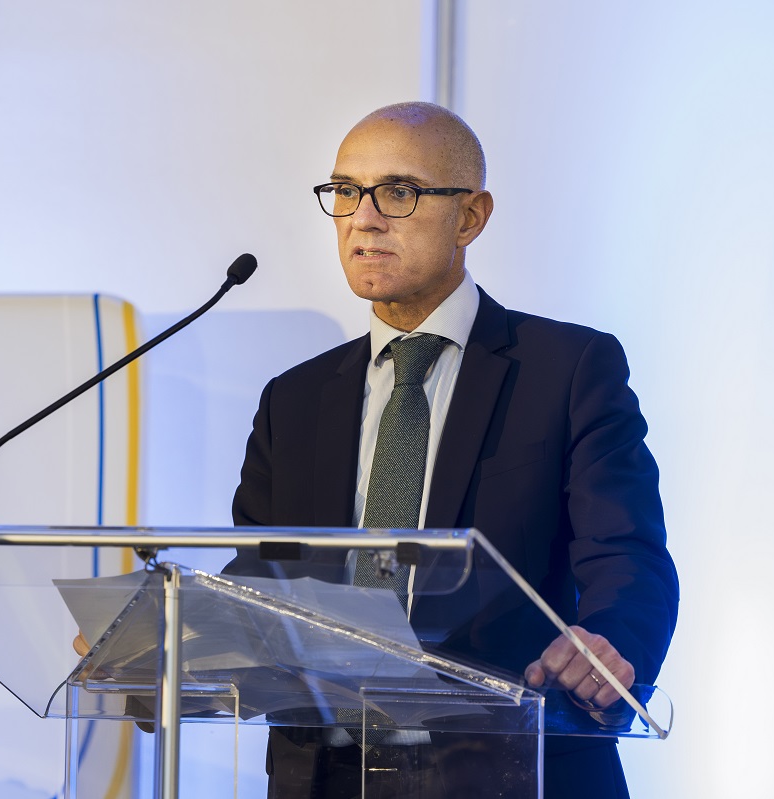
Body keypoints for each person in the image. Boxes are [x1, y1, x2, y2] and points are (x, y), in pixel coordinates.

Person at [224, 102, 678, 798]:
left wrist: (610, 646)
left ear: (470, 216)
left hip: (509, 767)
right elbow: (260, 577)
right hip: (324, 774)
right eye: (345, 192)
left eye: (397, 192)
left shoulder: (567, 370)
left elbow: (626, 555)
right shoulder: (295, 398)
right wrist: (170, 642)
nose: (363, 219)